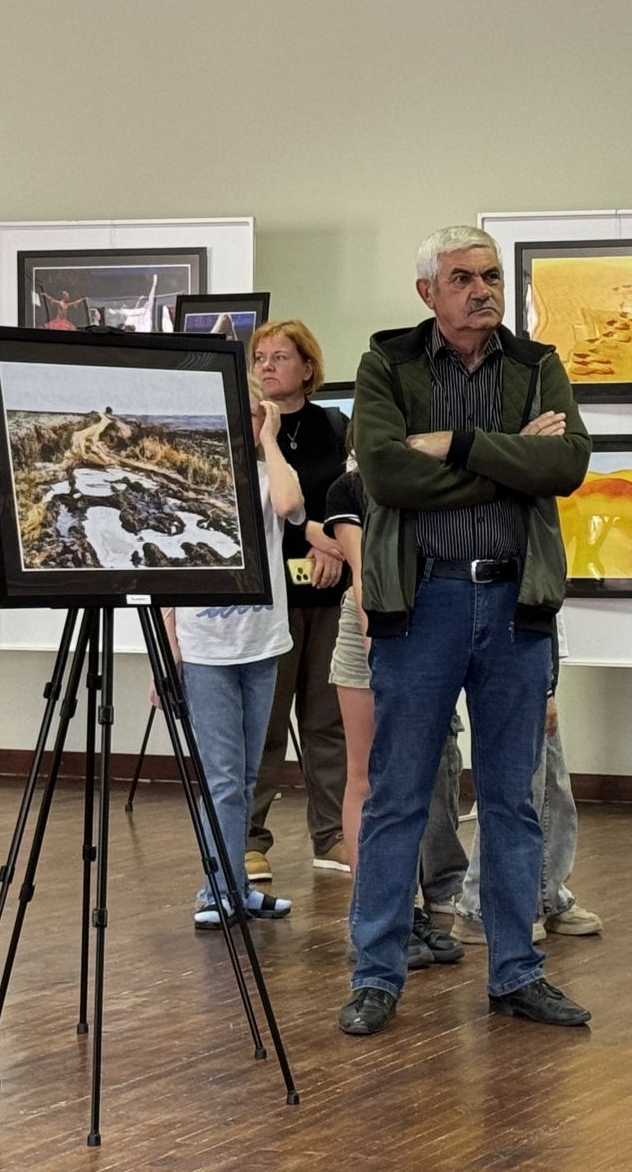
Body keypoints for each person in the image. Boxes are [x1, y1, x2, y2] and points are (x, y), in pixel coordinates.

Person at [337, 225, 592, 1038]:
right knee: (400, 796)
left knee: (514, 801)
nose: (481, 289)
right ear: (427, 293)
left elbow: (567, 467)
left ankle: (516, 972)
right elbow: (384, 474)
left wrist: (457, 444)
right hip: (423, 606)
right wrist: (508, 466)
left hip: (517, 605)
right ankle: (376, 973)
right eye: (461, 277)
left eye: (489, 275)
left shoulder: (535, 365)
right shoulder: (389, 364)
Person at [160, 397, 303, 928]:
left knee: (245, 776)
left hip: (261, 644)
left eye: (254, 413)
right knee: (222, 778)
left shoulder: (268, 475)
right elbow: (168, 571)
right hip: (205, 651)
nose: (247, 421)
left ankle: (237, 888)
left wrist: (270, 439)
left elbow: (289, 506)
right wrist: (170, 653)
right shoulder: (187, 474)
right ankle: (214, 890)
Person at [322, 459, 464, 971]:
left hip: (434, 623)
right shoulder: (350, 489)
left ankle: (406, 909)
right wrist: (374, 637)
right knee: (368, 778)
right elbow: (365, 573)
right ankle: (373, 914)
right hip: (375, 625)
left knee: (417, 778)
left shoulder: (426, 481)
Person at [245, 320, 351, 882]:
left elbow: (351, 494)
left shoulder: (336, 426)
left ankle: (331, 835)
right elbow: (247, 513)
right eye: (260, 356)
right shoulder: (243, 428)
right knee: (263, 721)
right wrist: (311, 534)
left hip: (328, 594)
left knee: (326, 719)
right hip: (268, 599)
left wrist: (334, 545)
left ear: (308, 367)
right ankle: (250, 839)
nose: (266, 366)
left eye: (280, 356)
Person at [451, 615, 603, 945]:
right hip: (511, 649)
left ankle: (547, 897)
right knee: (518, 793)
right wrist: (543, 690)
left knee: (552, 785)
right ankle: (479, 908)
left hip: (535, 646)